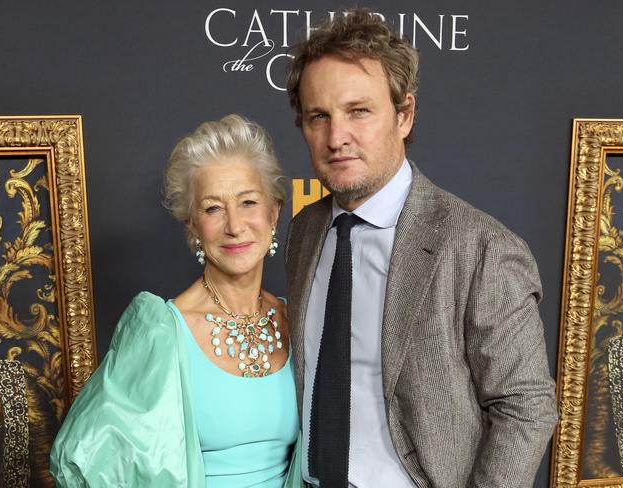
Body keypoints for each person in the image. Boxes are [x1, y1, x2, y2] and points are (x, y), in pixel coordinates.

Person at [284, 9, 557, 488]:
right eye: (318, 117)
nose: (336, 137)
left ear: (404, 114)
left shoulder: (481, 248)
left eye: (359, 111)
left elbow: (527, 408)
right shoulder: (305, 230)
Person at [50, 114, 302, 487]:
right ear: (192, 225)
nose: (234, 225)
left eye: (248, 201)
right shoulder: (162, 332)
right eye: (213, 208)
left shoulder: (298, 318)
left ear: (274, 212)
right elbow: (86, 462)